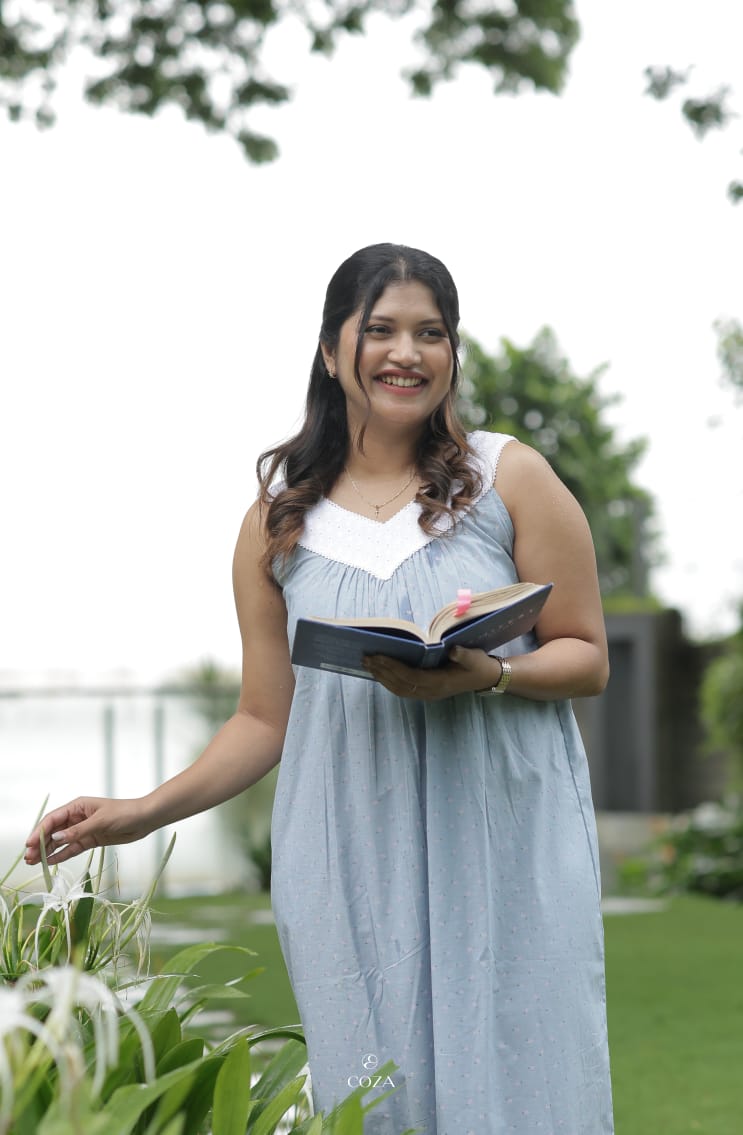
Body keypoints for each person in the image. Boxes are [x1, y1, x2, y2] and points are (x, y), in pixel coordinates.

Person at [25, 243, 614, 1134]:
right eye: (378, 329)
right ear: (333, 349)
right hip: (347, 844)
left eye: (430, 332)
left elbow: (586, 654)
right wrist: (139, 812)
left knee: (522, 1072)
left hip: (501, 836)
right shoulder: (277, 520)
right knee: (371, 1094)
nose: (404, 353)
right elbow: (265, 717)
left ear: (453, 353)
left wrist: (486, 672)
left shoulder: (508, 477)